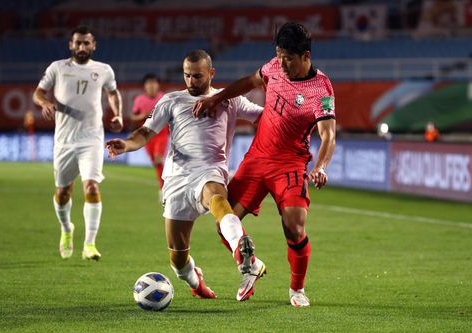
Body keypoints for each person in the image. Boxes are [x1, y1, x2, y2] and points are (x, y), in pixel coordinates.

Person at [193, 22, 337, 307]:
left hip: (290, 164)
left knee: (294, 226)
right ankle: (252, 265)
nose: (282, 64)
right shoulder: (273, 67)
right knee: (225, 222)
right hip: (257, 158)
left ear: (305, 56)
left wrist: (320, 166)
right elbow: (249, 81)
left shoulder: (321, 87)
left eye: (289, 58)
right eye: (279, 55)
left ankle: (297, 290)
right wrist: (216, 98)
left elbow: (328, 134)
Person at [105, 50, 266, 301]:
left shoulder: (230, 99)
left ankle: (241, 251)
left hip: (210, 170)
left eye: (198, 76)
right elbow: (146, 131)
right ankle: (195, 281)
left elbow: (266, 118)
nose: (191, 81)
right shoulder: (171, 100)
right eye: (187, 76)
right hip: (177, 179)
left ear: (211, 73)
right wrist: (126, 144)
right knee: (178, 259)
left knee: (217, 199)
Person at [33, 25, 123, 261]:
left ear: (94, 45)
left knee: (91, 187)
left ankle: (90, 244)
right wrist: (44, 103)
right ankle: (66, 229)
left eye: (86, 43)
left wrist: (118, 114)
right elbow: (38, 93)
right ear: (70, 45)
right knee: (63, 192)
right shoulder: (58, 67)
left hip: (92, 138)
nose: (82, 47)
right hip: (64, 140)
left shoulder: (103, 70)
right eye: (78, 43)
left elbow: (113, 93)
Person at [131, 74, 167, 195]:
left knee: (158, 159)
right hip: (146, 135)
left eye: (154, 83)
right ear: (145, 86)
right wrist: (141, 116)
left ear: (158, 85)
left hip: (161, 133)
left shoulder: (164, 98)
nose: (151, 86)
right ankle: (163, 186)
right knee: (155, 162)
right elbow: (133, 117)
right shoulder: (139, 100)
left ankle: (164, 189)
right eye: (148, 83)